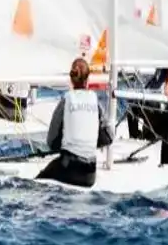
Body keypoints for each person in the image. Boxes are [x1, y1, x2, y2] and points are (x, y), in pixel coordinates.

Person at [38, 57, 113, 188]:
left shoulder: (66, 100)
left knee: (37, 183)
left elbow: (51, 141)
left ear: (71, 79)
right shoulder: (95, 101)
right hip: (90, 175)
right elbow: (109, 137)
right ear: (88, 79)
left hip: (69, 169)